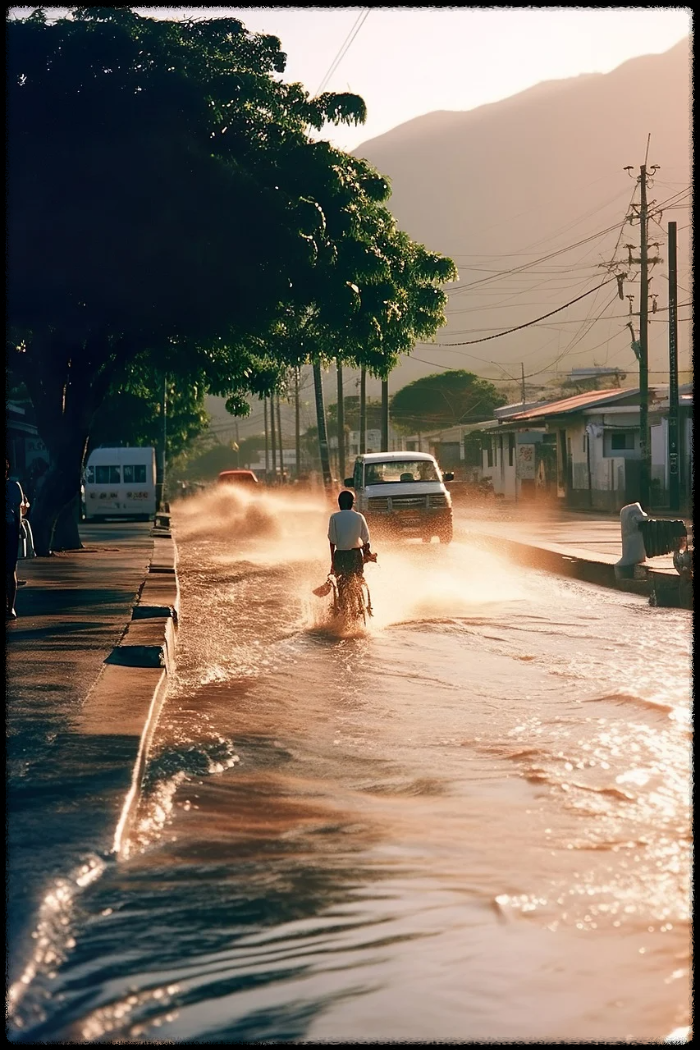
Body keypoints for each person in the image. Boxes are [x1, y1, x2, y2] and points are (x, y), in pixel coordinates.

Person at [328, 489, 372, 579]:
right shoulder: (359, 516)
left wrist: (333, 562)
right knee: (358, 578)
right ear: (352, 503)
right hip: (355, 555)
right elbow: (365, 539)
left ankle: (341, 591)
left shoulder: (334, 517)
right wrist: (366, 554)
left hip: (340, 555)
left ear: (339, 503)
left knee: (340, 579)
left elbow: (332, 541)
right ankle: (360, 588)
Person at [6, 458, 26, 619]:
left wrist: (18, 532)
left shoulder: (13, 487)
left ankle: (10, 606)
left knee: (10, 569)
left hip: (9, 530)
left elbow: (18, 512)